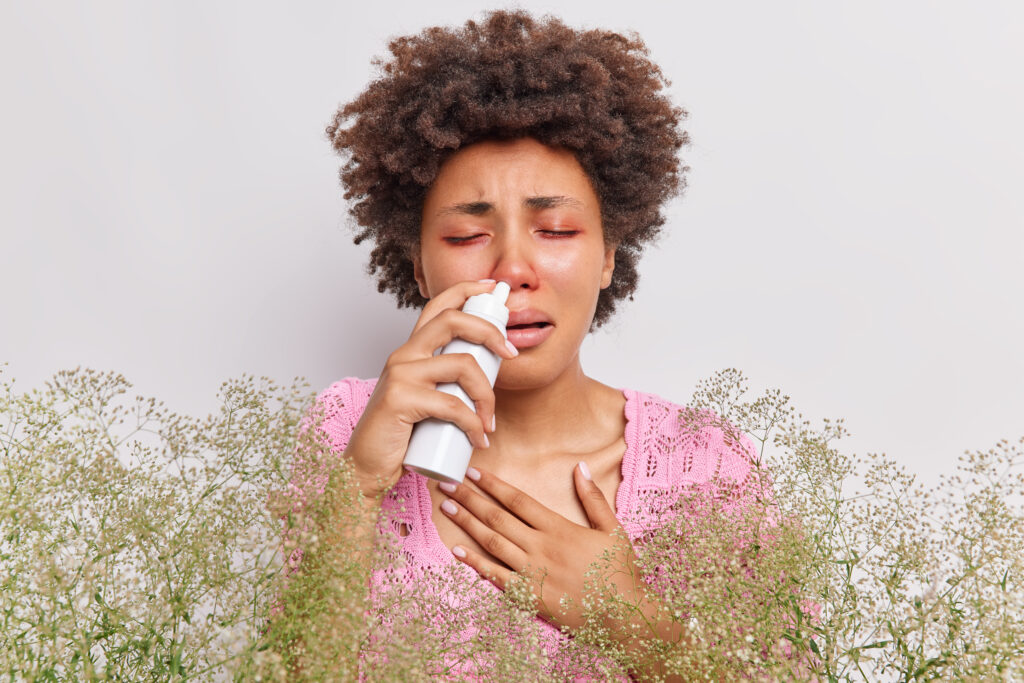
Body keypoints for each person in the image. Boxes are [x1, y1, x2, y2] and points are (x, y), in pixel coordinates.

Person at [284, 8, 769, 679]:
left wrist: (630, 619)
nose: (513, 267)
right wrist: (361, 483)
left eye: (558, 229)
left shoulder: (706, 467)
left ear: (607, 255)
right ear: (419, 266)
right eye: (464, 236)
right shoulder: (346, 429)